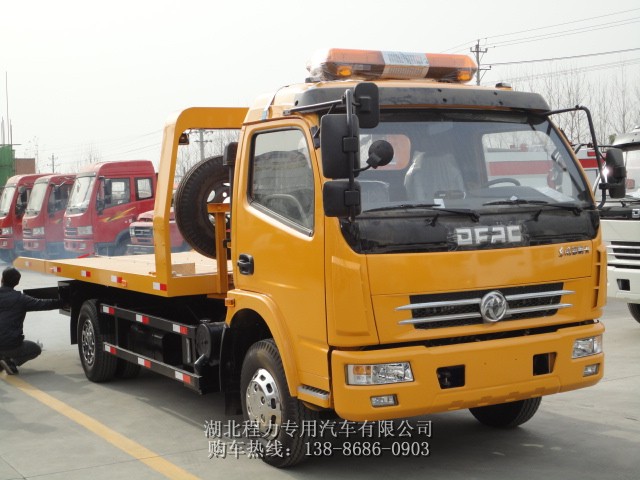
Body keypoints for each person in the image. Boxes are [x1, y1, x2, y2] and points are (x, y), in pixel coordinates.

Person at [0, 266, 61, 375]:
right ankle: (11, 363)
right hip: (11, 345)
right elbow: (43, 304)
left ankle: (3, 360)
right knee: (35, 349)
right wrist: (62, 302)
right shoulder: (21, 299)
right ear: (17, 282)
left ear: (2, 279)